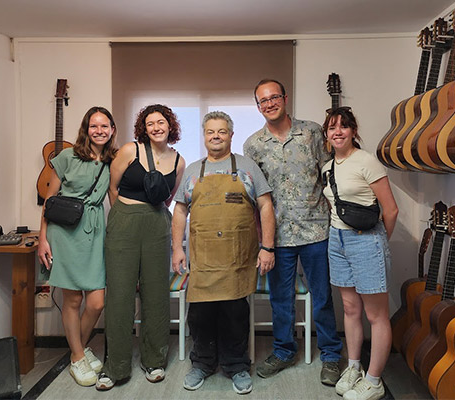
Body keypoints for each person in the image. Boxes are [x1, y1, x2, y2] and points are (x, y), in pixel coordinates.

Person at [243, 79, 343, 385]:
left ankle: (330, 355)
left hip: (316, 230)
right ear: (258, 106)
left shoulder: (313, 131)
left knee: (323, 298)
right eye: (263, 100)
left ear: (285, 98)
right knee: (280, 299)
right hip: (278, 237)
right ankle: (284, 351)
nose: (270, 103)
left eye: (274, 97)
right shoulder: (253, 145)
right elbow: (253, 197)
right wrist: (263, 241)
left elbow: (330, 175)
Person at [171, 111, 275, 395]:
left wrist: (267, 247)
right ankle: (202, 364)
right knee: (201, 316)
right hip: (203, 259)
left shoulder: (247, 167)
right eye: (210, 132)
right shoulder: (193, 170)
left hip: (237, 259)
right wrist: (177, 248)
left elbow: (265, 206)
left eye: (221, 131)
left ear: (231, 134)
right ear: (204, 136)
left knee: (234, 314)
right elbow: (180, 210)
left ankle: (237, 366)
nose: (216, 136)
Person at [96, 104, 185, 391]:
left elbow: (170, 197)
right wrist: (125, 216)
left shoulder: (179, 161)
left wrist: (153, 217)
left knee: (156, 293)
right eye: (150, 123)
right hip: (124, 223)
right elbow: (113, 187)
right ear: (143, 129)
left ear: (170, 126)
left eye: (161, 122)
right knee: (120, 294)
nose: (156, 127)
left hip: (157, 225)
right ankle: (115, 367)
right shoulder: (129, 151)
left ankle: (155, 361)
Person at [321, 107, 397, 400]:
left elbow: (390, 210)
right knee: (350, 310)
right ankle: (353, 367)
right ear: (327, 134)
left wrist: (377, 243)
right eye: (331, 128)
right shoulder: (327, 168)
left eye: (343, 127)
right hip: (336, 240)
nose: (337, 132)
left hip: (366, 240)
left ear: (353, 131)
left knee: (375, 315)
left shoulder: (367, 162)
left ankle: (374, 380)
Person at [38, 106, 118, 386]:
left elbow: (115, 199)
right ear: (87, 128)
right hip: (66, 232)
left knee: (96, 302)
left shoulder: (113, 160)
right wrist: (42, 239)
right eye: (94, 126)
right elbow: (50, 199)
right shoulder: (67, 156)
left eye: (105, 126)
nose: (100, 131)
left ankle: (79, 352)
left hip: (95, 232)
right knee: (73, 300)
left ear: (112, 130)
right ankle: (77, 356)